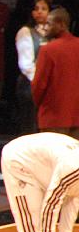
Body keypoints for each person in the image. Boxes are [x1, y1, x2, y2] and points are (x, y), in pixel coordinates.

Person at [31, 8, 79, 139]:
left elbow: (39, 85)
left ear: (61, 24)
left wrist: (39, 106)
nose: (46, 28)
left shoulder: (48, 50)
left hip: (53, 117)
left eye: (49, 24)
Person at [15, 0, 50, 136]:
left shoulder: (53, 32)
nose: (40, 12)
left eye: (44, 9)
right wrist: (40, 83)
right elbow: (26, 64)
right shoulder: (26, 32)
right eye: (36, 9)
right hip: (30, 86)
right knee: (31, 126)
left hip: (48, 87)